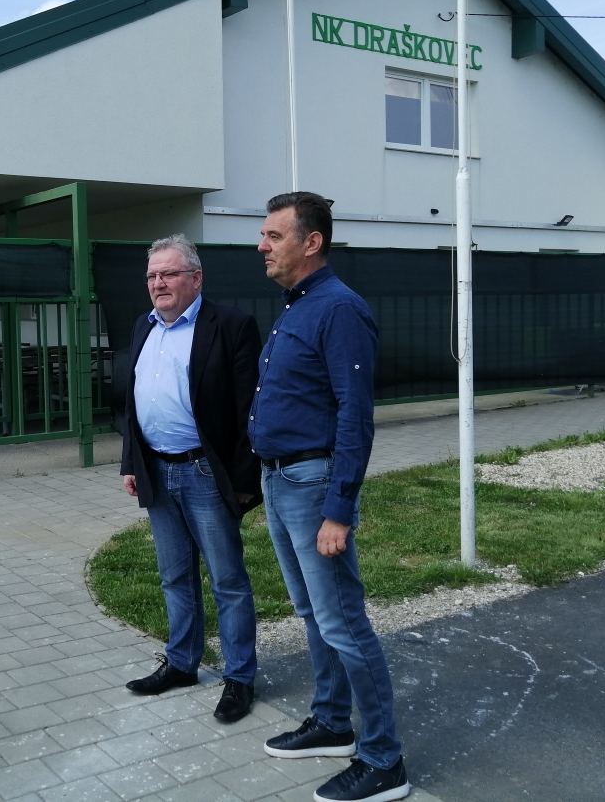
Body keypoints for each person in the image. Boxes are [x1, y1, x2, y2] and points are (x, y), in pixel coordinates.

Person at [251, 193, 409, 802]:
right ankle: (332, 722)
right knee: (313, 614)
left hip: (314, 488)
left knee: (343, 623)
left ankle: (383, 761)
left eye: (274, 236)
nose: (262, 246)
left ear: (311, 242)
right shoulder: (299, 305)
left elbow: (355, 416)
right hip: (280, 480)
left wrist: (338, 510)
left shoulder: (339, 309)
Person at [120, 233, 262, 723]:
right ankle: (181, 663)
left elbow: (248, 409)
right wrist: (131, 463)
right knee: (174, 575)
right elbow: (134, 402)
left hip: (206, 472)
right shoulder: (143, 326)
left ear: (196, 278)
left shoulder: (232, 326)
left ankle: (239, 677)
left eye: (169, 274)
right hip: (156, 470)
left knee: (228, 581)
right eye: (152, 275)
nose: (158, 283)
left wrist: (242, 479)